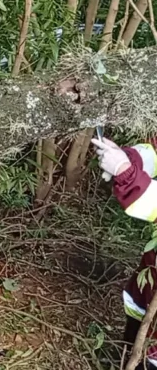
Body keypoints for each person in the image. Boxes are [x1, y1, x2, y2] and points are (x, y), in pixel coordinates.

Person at [94, 136, 157, 369]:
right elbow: (154, 153)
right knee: (137, 322)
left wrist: (125, 172)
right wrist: (128, 158)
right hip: (150, 276)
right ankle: (125, 358)